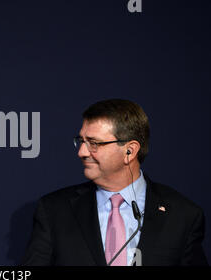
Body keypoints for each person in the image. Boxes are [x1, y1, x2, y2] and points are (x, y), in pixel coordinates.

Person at [23, 99, 208, 266]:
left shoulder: (182, 215)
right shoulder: (54, 210)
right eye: (81, 141)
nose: (82, 152)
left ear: (130, 151)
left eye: (94, 143)